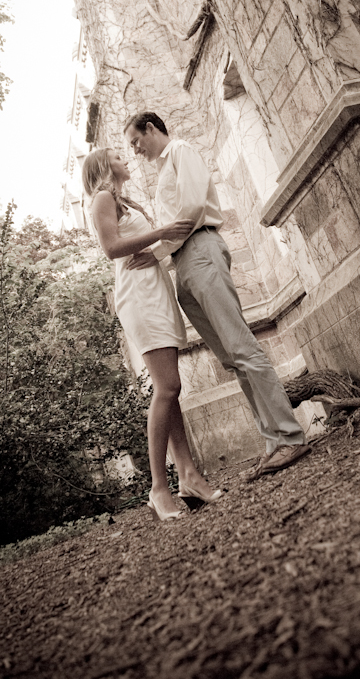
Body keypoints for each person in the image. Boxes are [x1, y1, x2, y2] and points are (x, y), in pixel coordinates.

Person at [123, 112, 311, 482]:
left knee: (243, 348)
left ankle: (291, 436)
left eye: (135, 140)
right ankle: (273, 441)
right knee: (231, 359)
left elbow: (192, 209)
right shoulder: (163, 170)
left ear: (150, 128)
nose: (135, 150)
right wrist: (166, 253)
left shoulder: (181, 150)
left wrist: (158, 250)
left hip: (201, 250)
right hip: (184, 265)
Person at [82, 147, 223, 521]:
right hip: (139, 298)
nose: (125, 158)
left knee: (171, 387)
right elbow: (111, 248)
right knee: (167, 388)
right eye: (117, 155)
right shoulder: (100, 198)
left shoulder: (122, 199)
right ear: (102, 166)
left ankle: (189, 476)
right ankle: (159, 488)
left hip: (155, 292)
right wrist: (160, 232)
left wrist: (159, 244)